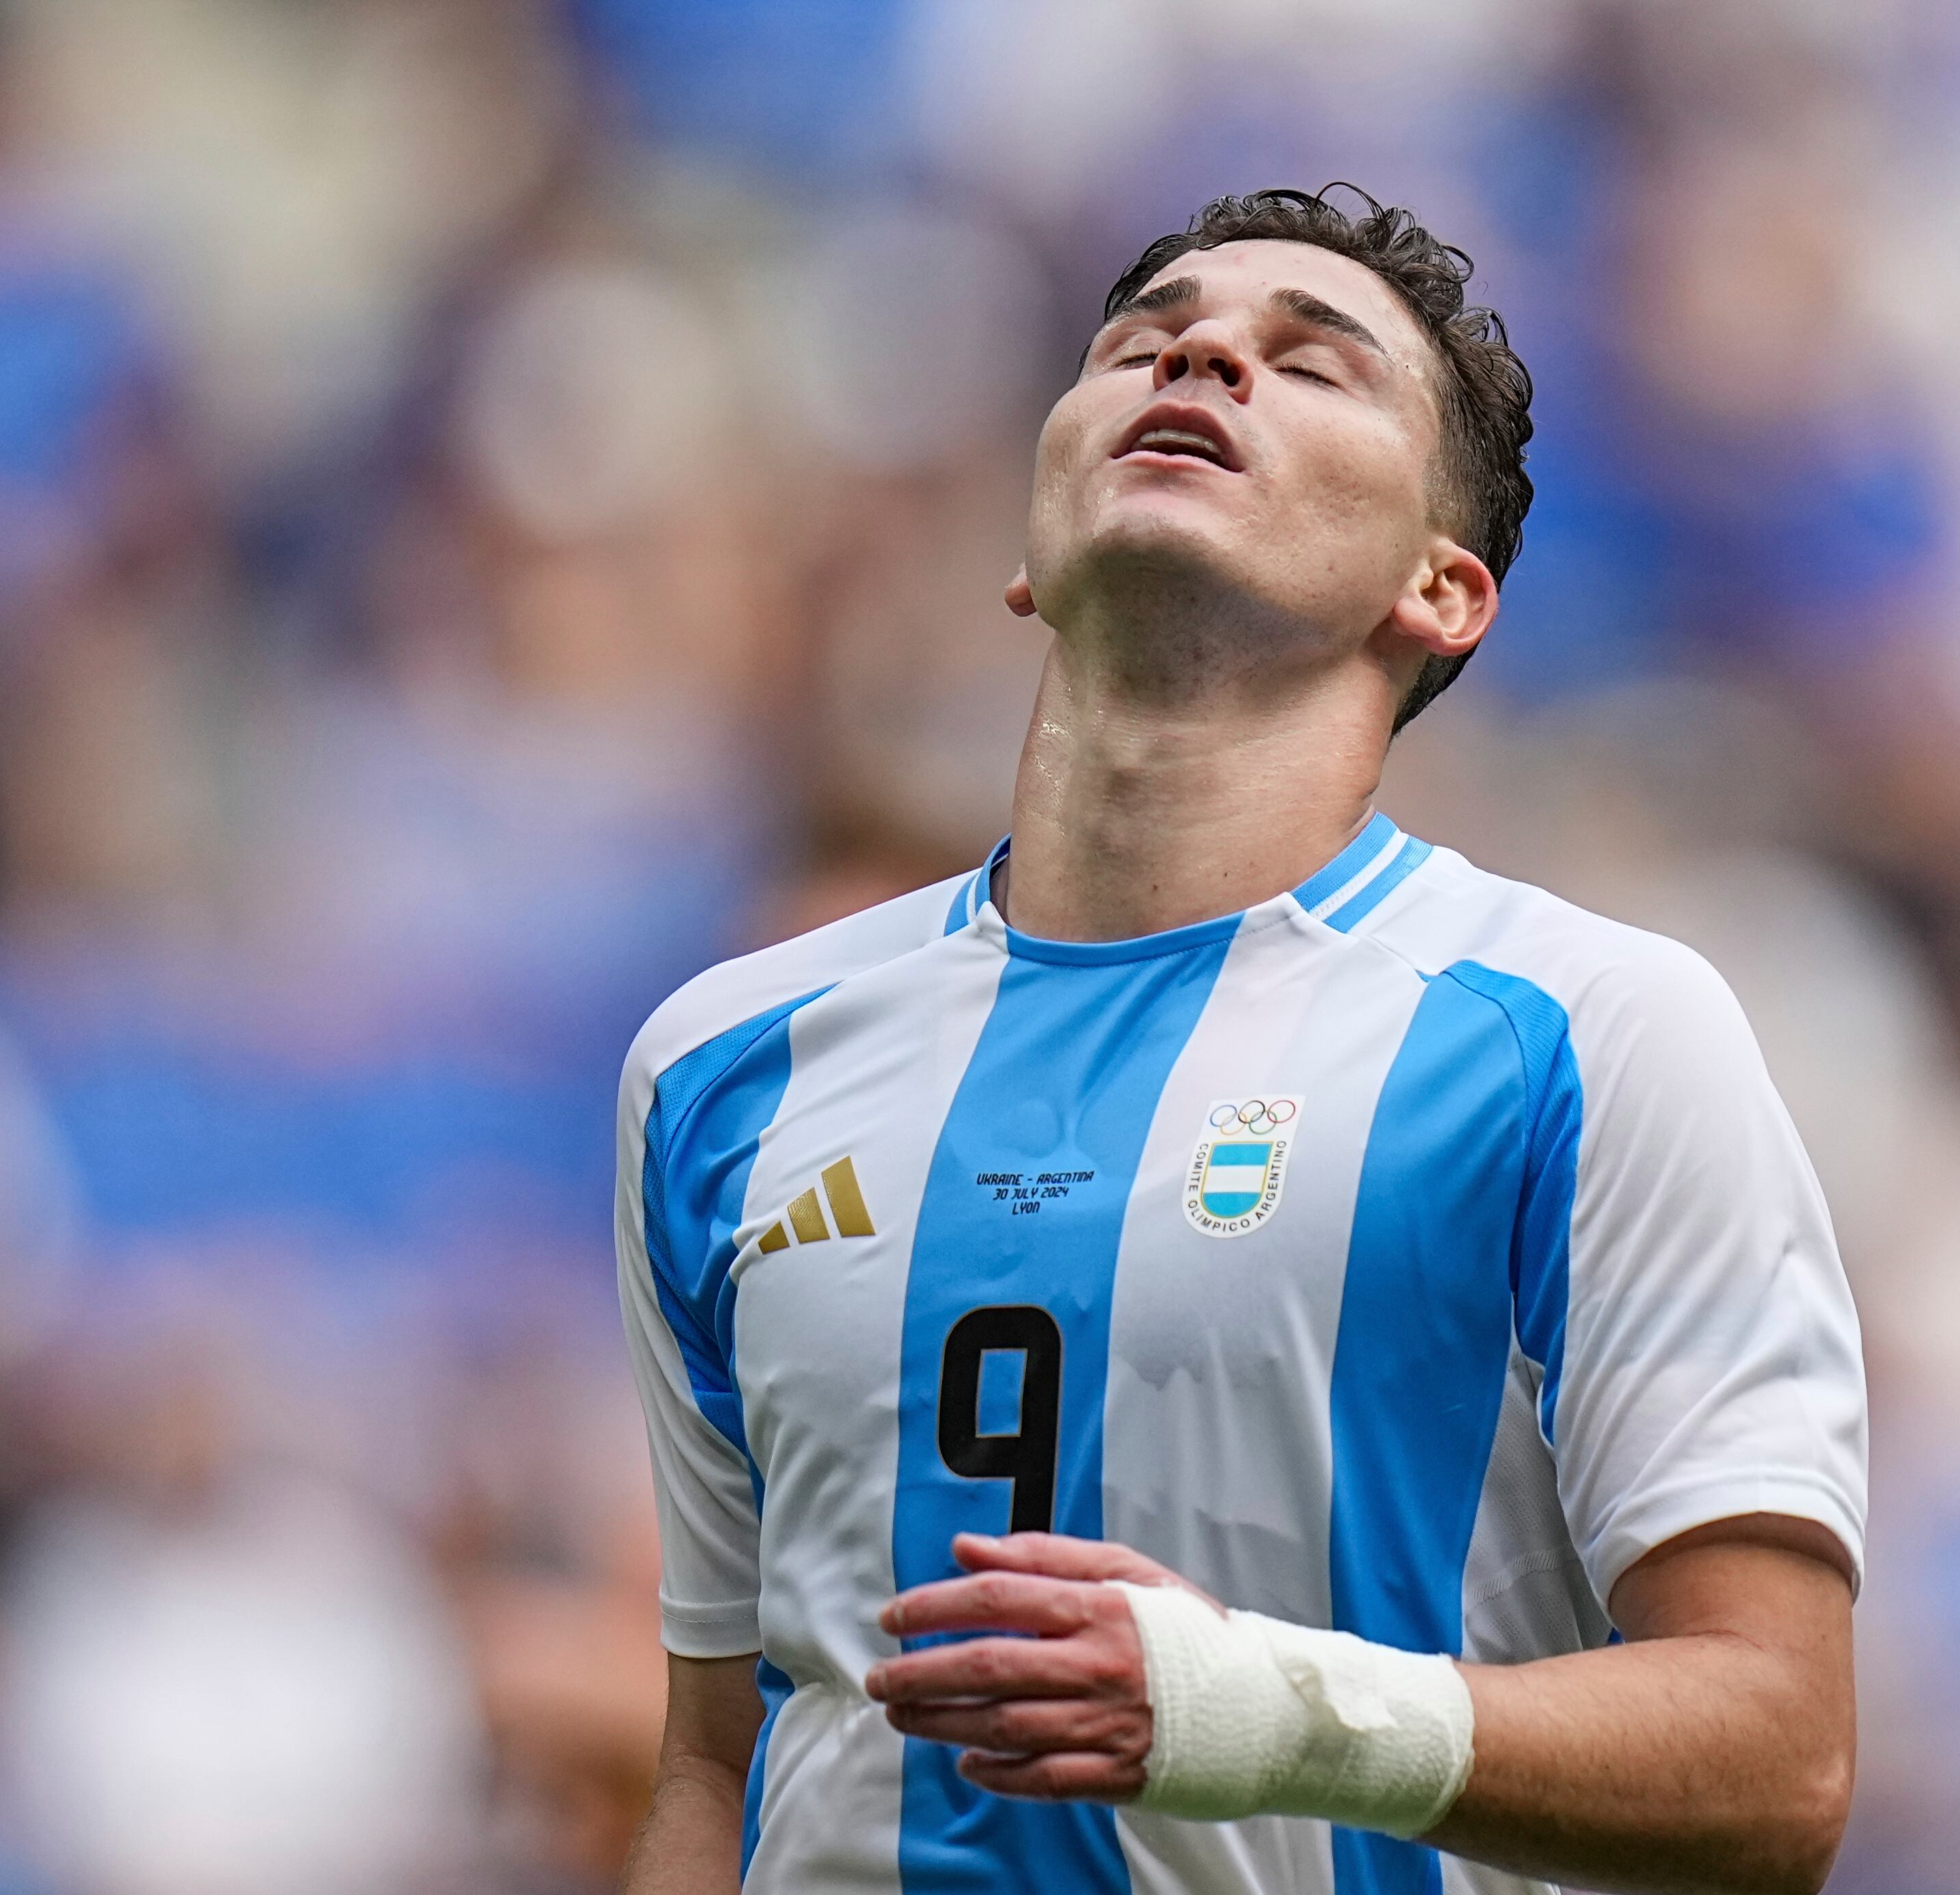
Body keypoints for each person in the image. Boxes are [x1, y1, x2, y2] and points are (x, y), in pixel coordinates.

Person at [617, 186, 1866, 1895]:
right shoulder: (718, 1063)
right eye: (1143, 339)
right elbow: (717, 1757)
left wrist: (1254, 1705)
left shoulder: (1582, 1034)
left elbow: (1779, 1759)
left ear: (1444, 588)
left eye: (1314, 364)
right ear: (1028, 546)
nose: (1198, 351)